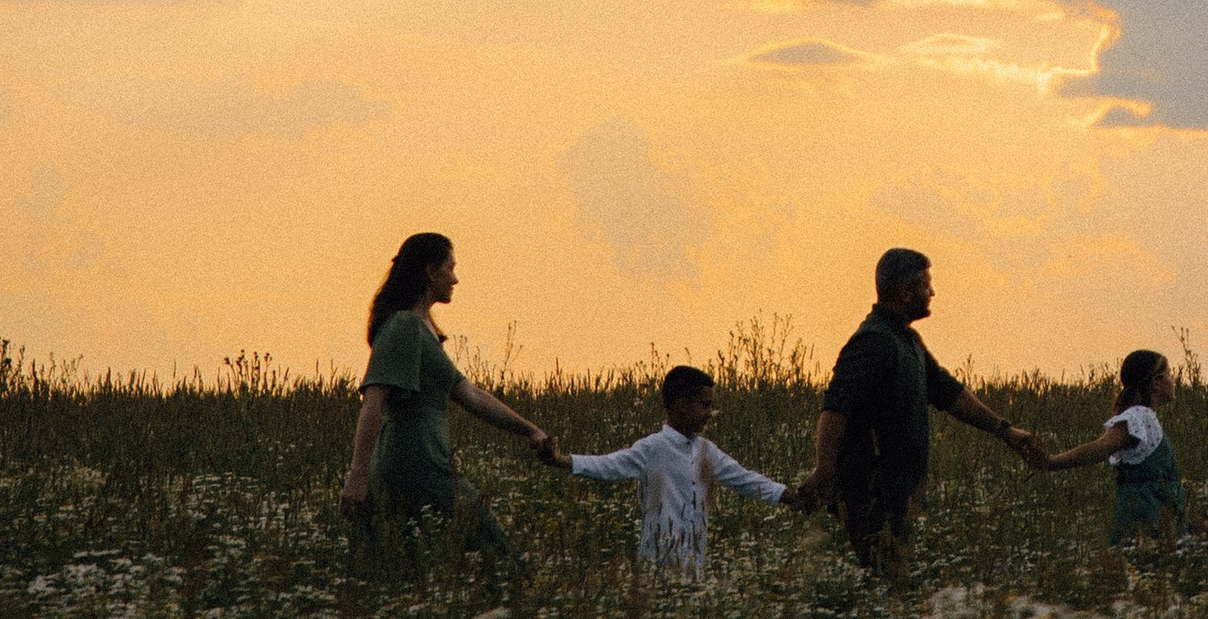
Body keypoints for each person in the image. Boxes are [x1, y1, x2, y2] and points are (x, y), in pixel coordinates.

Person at [788, 246, 1038, 569]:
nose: (932, 292)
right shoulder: (872, 342)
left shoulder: (908, 342)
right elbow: (835, 408)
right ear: (906, 292)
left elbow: (950, 394)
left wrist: (1006, 431)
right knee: (880, 586)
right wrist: (824, 468)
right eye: (926, 285)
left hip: (897, 496)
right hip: (871, 495)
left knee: (893, 587)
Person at [340, 231, 556, 564]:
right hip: (414, 465)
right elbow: (373, 401)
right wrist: (357, 477)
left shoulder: (424, 330)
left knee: (410, 567)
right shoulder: (404, 327)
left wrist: (529, 429)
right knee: (499, 556)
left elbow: (470, 395)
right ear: (430, 272)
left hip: (427, 462)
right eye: (450, 268)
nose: (455, 278)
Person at [553, 363, 785, 572]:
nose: (709, 414)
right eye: (704, 405)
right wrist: (563, 460)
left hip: (695, 567)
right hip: (657, 567)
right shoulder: (653, 448)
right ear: (682, 406)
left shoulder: (707, 451)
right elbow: (608, 465)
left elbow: (745, 480)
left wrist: (786, 495)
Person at [1039, 347, 1188, 543]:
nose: (1174, 381)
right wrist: (1051, 461)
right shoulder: (1139, 416)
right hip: (1144, 519)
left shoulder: (1146, 418)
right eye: (1169, 374)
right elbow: (1101, 447)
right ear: (1156, 383)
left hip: (1157, 519)